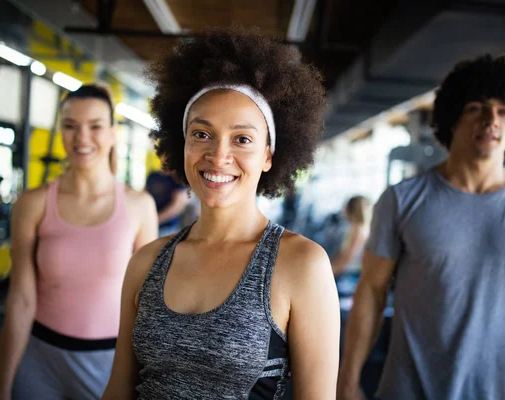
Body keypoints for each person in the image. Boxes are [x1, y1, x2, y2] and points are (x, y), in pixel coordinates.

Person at [102, 27, 340, 399]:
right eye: (201, 134)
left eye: (242, 139)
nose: (218, 155)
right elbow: (118, 390)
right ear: (182, 143)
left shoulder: (302, 265)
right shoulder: (146, 262)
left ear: (268, 155)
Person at [337, 54, 505, 400]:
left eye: (504, 111)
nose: (491, 120)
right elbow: (371, 292)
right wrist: (347, 382)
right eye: (476, 108)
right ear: (453, 117)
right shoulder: (402, 199)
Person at [0, 84, 158, 400]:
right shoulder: (33, 203)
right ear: (61, 131)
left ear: (112, 133)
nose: (82, 138)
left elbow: (146, 304)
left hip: (109, 363)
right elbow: (21, 299)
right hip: (39, 359)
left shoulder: (139, 206)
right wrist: (1, 386)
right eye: (70, 126)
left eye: (95, 126)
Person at [331, 196, 372, 279]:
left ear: (349, 210)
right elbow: (342, 255)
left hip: (349, 276)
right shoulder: (360, 228)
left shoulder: (358, 231)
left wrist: (328, 274)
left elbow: (346, 259)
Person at [145, 169, 189, 236]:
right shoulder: (153, 175)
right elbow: (144, 196)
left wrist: (156, 220)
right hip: (151, 224)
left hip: (168, 228)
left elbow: (177, 207)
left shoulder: (177, 179)